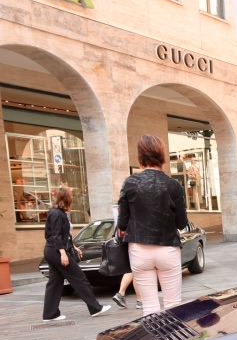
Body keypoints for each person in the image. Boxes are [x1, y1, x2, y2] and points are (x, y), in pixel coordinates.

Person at [117, 135, 188, 316]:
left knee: (149, 306)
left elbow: (122, 222)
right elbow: (182, 223)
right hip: (168, 249)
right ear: (162, 155)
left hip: (139, 249)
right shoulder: (174, 186)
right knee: (173, 305)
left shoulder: (130, 183)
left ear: (140, 156)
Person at [41, 187, 112, 321]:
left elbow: (62, 235)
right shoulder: (57, 214)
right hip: (56, 251)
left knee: (55, 282)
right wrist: (62, 253)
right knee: (79, 278)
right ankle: (95, 308)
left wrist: (73, 246)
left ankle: (50, 314)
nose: (73, 198)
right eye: (71, 196)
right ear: (66, 198)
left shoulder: (57, 213)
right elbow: (55, 236)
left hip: (52, 250)